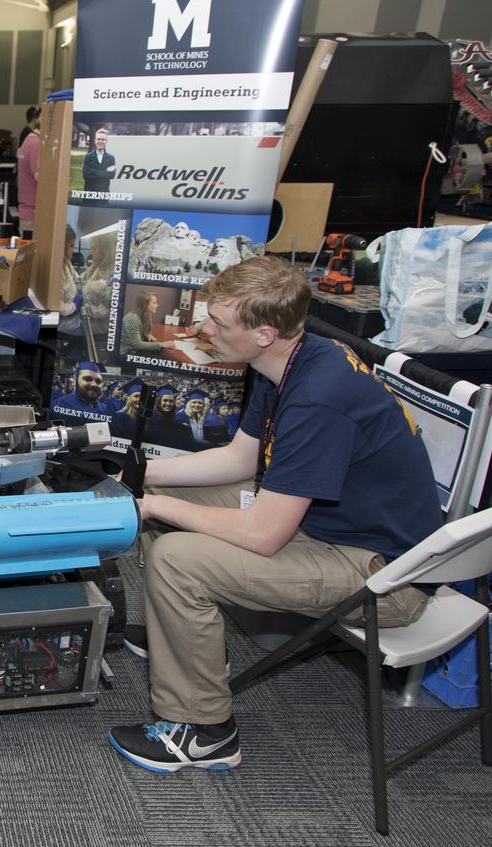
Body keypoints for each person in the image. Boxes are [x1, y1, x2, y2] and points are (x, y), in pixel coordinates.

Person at [108, 256, 442, 773]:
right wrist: (138, 473)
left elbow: (264, 534)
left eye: (219, 324)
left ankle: (204, 731)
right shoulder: (285, 361)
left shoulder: (318, 397)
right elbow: (240, 459)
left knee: (177, 556)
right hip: (329, 528)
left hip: (387, 576)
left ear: (264, 333)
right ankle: (181, 640)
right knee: (171, 515)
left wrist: (153, 503)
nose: (202, 328)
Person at [16, 113, 41, 238]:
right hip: (33, 213)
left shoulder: (29, 140)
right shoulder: (36, 143)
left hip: (28, 211)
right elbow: (40, 177)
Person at [122, 290, 164, 354]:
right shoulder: (132, 319)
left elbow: (146, 331)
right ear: (145, 305)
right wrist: (162, 344)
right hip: (126, 352)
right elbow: (137, 344)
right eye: (154, 303)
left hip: (134, 349)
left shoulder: (147, 315)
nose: (157, 305)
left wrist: (148, 335)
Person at [82, 127, 117, 194]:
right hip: (89, 194)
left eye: (103, 139)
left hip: (104, 195)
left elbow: (111, 175)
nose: (100, 141)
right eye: (98, 139)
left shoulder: (111, 158)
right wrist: (104, 172)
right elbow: (85, 175)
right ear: (95, 140)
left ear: (106, 141)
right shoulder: (88, 157)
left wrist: (92, 170)